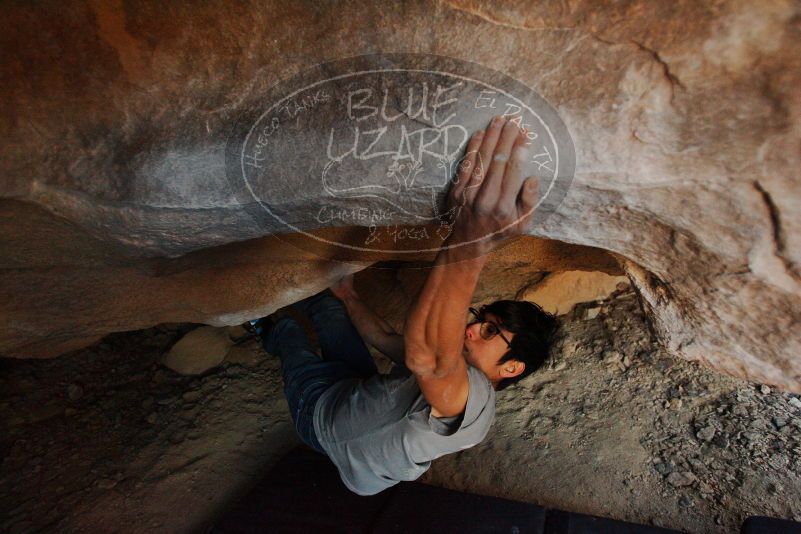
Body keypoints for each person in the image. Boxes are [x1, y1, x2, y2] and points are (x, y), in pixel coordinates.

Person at [250, 116, 559, 495]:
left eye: (491, 332)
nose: (473, 328)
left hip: (322, 418)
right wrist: (349, 295)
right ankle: (305, 293)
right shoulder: (455, 367)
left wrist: (471, 238)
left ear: (512, 366)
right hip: (356, 389)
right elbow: (386, 337)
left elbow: (427, 357)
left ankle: (264, 326)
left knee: (291, 334)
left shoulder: (470, 401)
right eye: (483, 319)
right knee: (330, 303)